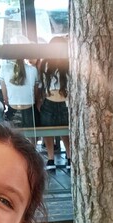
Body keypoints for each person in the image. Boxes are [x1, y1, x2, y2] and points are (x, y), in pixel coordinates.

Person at [38, 35, 71, 171]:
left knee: (66, 130)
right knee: (47, 131)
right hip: (50, 100)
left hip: (64, 102)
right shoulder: (45, 63)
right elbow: (41, 84)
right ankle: (50, 158)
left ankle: (69, 156)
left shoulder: (69, 63)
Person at [1, 39, 39, 132]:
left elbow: (5, 98)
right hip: (30, 110)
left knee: (13, 139)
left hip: (12, 110)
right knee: (32, 138)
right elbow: (35, 94)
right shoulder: (33, 70)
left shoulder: (4, 69)